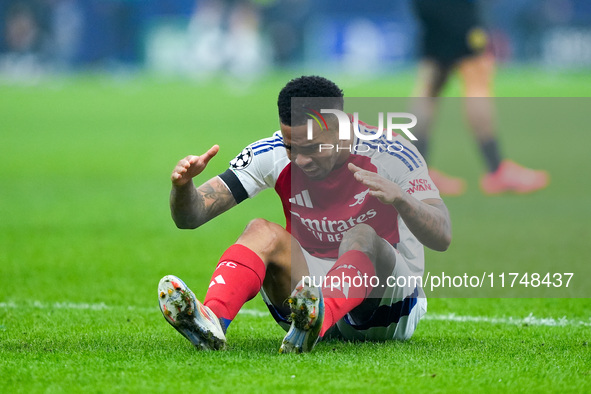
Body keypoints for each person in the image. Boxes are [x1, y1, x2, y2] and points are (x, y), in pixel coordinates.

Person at [158, 75, 451, 353]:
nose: (300, 160)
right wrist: (183, 187)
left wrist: (401, 200)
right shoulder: (269, 153)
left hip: (386, 309)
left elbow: (442, 235)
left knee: (361, 234)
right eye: (290, 147)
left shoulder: (392, 154)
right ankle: (212, 322)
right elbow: (190, 217)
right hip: (305, 303)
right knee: (260, 229)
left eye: (312, 148)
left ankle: (317, 319)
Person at [410, 0, 549, 196]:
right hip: (455, 9)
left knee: (432, 80)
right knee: (476, 72)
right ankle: (497, 171)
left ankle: (416, 173)